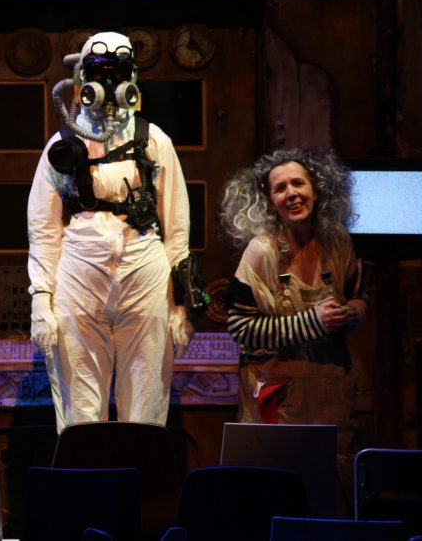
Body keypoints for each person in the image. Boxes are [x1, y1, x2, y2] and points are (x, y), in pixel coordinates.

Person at [27, 30, 196, 432]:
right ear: (81, 80)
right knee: (81, 408)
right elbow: (44, 230)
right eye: (99, 75)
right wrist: (41, 299)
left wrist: (180, 304)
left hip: (144, 276)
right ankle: (86, 488)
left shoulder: (153, 140)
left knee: (147, 401)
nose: (108, 85)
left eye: (117, 74)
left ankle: (141, 489)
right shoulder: (63, 145)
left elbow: (176, 224)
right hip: (80, 278)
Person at [219, 147, 366, 512]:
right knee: (273, 504)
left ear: (317, 189)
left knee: (332, 507)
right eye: (280, 188)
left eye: (298, 183)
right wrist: (311, 323)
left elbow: (360, 298)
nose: (291, 193)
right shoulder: (261, 252)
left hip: (331, 403)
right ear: (269, 202)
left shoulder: (339, 243)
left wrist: (353, 314)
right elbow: (240, 329)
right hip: (278, 406)